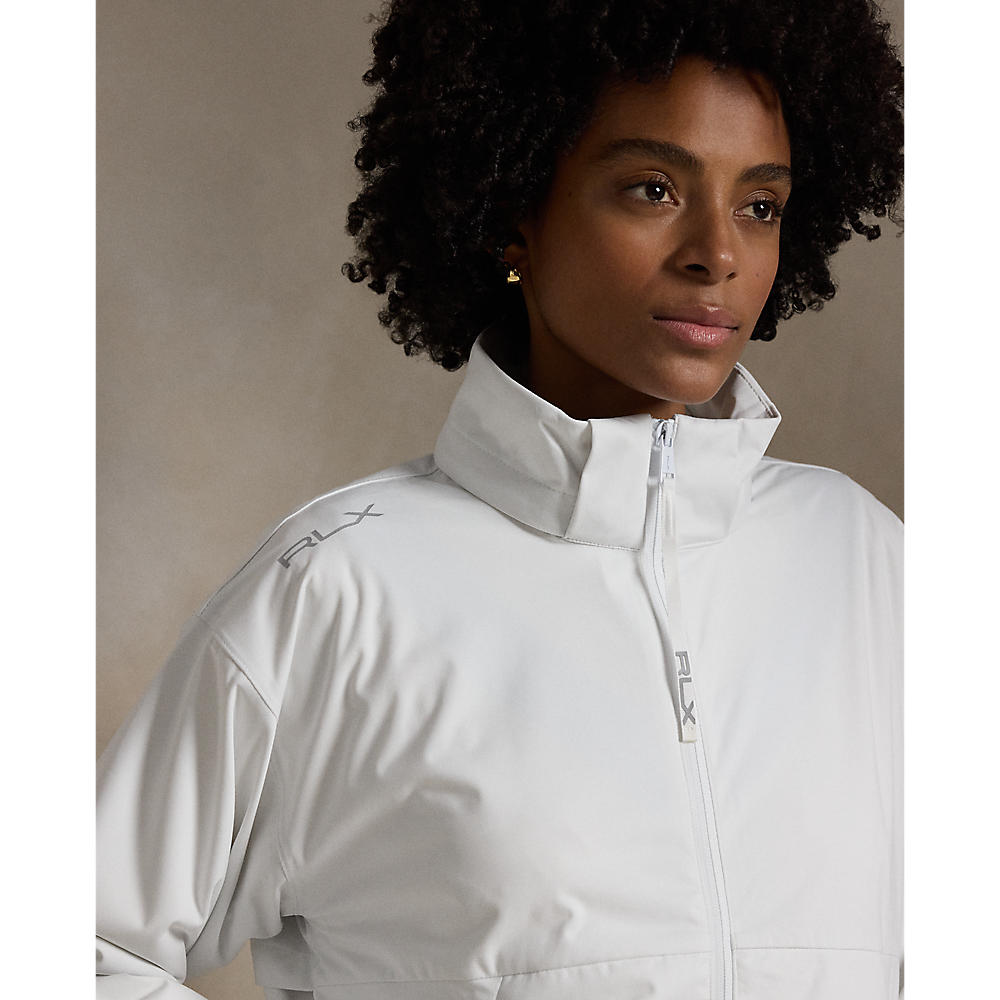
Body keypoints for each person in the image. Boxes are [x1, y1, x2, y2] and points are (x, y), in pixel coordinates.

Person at [97, 1, 904, 998]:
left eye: (760, 205)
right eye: (653, 188)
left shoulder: (866, 562)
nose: (718, 253)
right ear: (513, 207)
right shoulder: (337, 592)